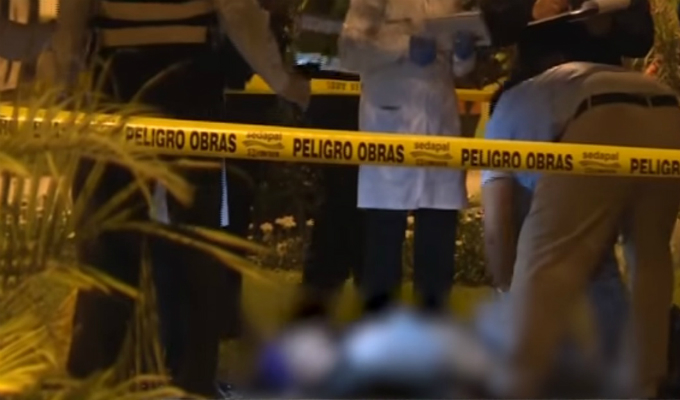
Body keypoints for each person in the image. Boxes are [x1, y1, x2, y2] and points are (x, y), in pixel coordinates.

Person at [52, 0, 310, 396]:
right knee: (194, 255)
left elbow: (71, 24)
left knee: (107, 256)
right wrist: (286, 83)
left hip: (116, 91)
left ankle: (93, 384)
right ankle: (189, 384)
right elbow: (238, 13)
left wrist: (63, 92)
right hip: (186, 92)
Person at [481, 47, 680, 400]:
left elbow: (497, 228)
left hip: (599, 114)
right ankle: (644, 385)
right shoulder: (548, 93)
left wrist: (505, 289)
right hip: (668, 110)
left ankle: (519, 385)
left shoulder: (502, 118)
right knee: (650, 256)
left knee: (546, 262)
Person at [338, 0, 478, 313]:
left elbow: (459, 68)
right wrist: (403, 46)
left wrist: (464, 53)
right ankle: (380, 329)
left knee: (438, 239)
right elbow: (350, 52)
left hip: (439, 124)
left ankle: (431, 327)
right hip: (390, 125)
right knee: (384, 241)